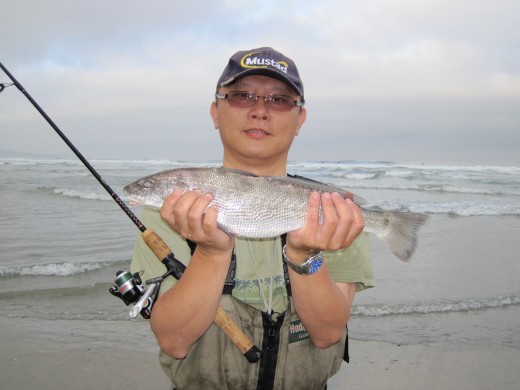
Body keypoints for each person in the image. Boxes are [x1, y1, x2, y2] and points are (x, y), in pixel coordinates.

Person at [131, 47, 374, 390]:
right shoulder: (170, 213)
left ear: (300, 119)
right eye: (242, 96)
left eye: (279, 100)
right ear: (216, 112)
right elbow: (174, 341)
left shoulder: (332, 211)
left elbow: (327, 333)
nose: (260, 111)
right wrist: (211, 253)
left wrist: (304, 258)